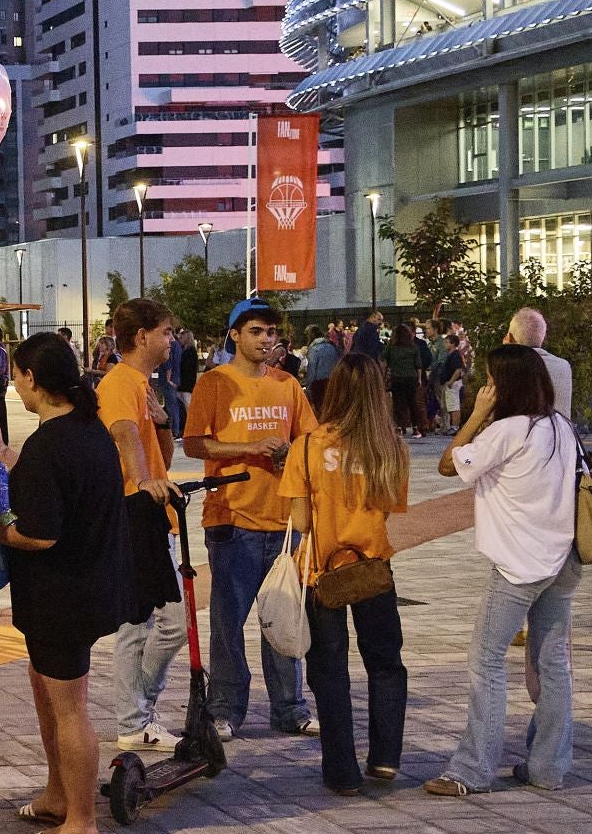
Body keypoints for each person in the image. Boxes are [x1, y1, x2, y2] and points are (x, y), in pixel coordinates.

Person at [0, 333, 136, 834]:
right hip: (85, 586)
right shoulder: (82, 428)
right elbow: (52, 486)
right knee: (47, 688)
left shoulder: (53, 442)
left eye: (18, 375)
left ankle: (81, 824)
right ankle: (58, 794)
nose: (15, 384)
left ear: (32, 377)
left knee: (70, 707)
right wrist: (4, 455)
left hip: (64, 593)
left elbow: (39, 532)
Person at [426, 346, 578, 795]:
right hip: (562, 559)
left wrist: (476, 414)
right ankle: (549, 768)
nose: (484, 385)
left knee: (486, 662)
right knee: (553, 664)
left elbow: (446, 464)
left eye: (490, 379)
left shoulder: (507, 431)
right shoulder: (560, 426)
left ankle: (472, 770)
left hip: (518, 566)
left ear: (505, 384)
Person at [185, 299, 318, 741]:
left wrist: (289, 452)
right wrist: (250, 448)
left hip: (283, 523)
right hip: (232, 519)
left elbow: (310, 440)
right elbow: (195, 444)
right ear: (235, 336)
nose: (266, 340)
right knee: (228, 623)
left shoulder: (288, 386)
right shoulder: (214, 383)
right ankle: (224, 709)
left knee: (283, 617)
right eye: (256, 331)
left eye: (271, 333)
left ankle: (290, 707)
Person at [280, 354, 410, 795]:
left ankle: (342, 771)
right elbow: (389, 507)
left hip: (321, 571)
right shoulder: (390, 446)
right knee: (385, 662)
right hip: (373, 565)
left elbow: (300, 523)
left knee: (330, 670)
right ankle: (386, 757)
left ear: (332, 389)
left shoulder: (306, 446)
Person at [97, 298, 187, 752]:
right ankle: (135, 720)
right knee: (140, 625)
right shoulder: (118, 382)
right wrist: (141, 479)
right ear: (142, 337)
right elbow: (123, 433)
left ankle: (139, 712)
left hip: (155, 512)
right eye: (167, 332)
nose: (172, 340)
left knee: (170, 623)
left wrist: (165, 422)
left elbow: (161, 455)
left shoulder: (144, 385)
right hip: (133, 512)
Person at [503, 306, 571, 422]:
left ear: (509, 338)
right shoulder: (563, 366)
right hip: (560, 436)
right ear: (542, 338)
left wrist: (504, 353)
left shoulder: (510, 366)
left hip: (522, 437)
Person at [383, 321, 427, 438]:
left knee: (398, 404)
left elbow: (383, 360)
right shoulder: (413, 347)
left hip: (397, 378)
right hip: (411, 377)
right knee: (412, 403)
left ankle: (399, 427)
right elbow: (418, 365)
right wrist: (419, 379)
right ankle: (416, 428)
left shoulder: (391, 347)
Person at [305, 323, 341, 414]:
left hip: (319, 385)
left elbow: (312, 370)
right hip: (334, 381)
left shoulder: (314, 349)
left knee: (321, 413)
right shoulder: (331, 346)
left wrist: (308, 389)